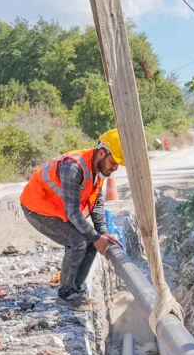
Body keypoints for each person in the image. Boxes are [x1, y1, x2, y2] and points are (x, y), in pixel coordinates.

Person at [20, 129, 124, 301]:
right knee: (78, 242)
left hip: (56, 209)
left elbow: (96, 205)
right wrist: (96, 237)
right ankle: (66, 293)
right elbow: (72, 212)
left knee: (92, 241)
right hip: (36, 207)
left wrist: (103, 234)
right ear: (101, 153)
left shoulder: (99, 171)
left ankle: (76, 287)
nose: (115, 167)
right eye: (113, 162)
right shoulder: (73, 167)